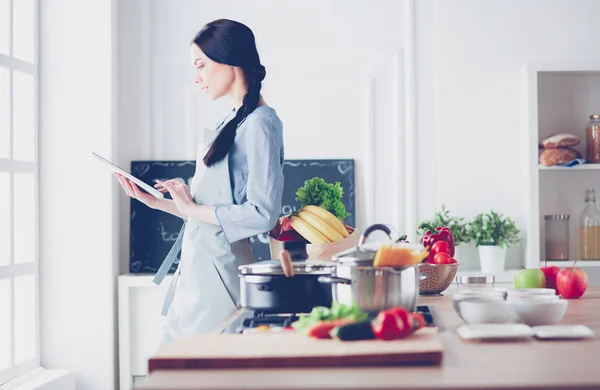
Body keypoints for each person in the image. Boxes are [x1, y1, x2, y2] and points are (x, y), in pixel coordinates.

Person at [114, 19, 284, 349]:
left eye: (201, 65)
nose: (196, 78)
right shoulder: (231, 121)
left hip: (221, 276)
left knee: (200, 371)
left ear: (229, 59)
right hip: (199, 270)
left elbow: (262, 214)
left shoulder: (263, 123)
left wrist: (191, 206)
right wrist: (157, 202)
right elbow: (206, 212)